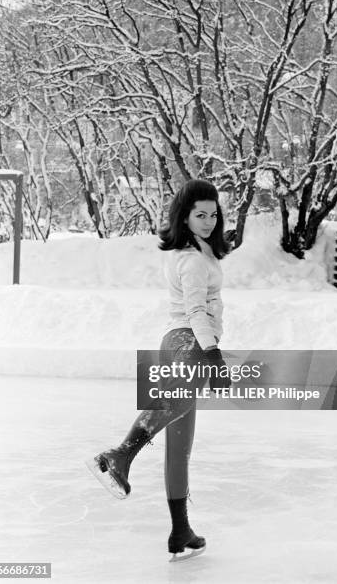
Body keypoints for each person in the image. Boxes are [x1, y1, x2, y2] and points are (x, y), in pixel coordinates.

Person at [87, 178, 232, 557]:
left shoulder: (194, 252)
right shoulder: (192, 260)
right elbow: (197, 311)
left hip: (179, 341)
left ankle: (180, 530)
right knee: (178, 403)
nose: (209, 221)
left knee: (179, 446)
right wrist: (214, 355)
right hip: (189, 341)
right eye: (200, 214)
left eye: (213, 214)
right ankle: (121, 454)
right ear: (184, 217)